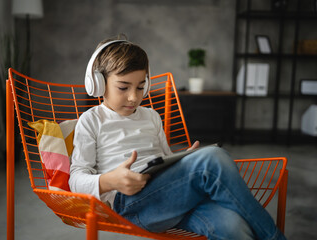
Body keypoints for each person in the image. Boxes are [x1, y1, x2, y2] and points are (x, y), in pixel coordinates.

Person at [69, 36, 286, 240]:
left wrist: (184, 161)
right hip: (130, 206)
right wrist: (110, 181)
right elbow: (75, 180)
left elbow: (163, 159)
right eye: (123, 87)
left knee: (233, 226)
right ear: (98, 83)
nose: (134, 97)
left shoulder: (152, 116)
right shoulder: (91, 121)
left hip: (167, 199)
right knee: (212, 158)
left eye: (141, 87)